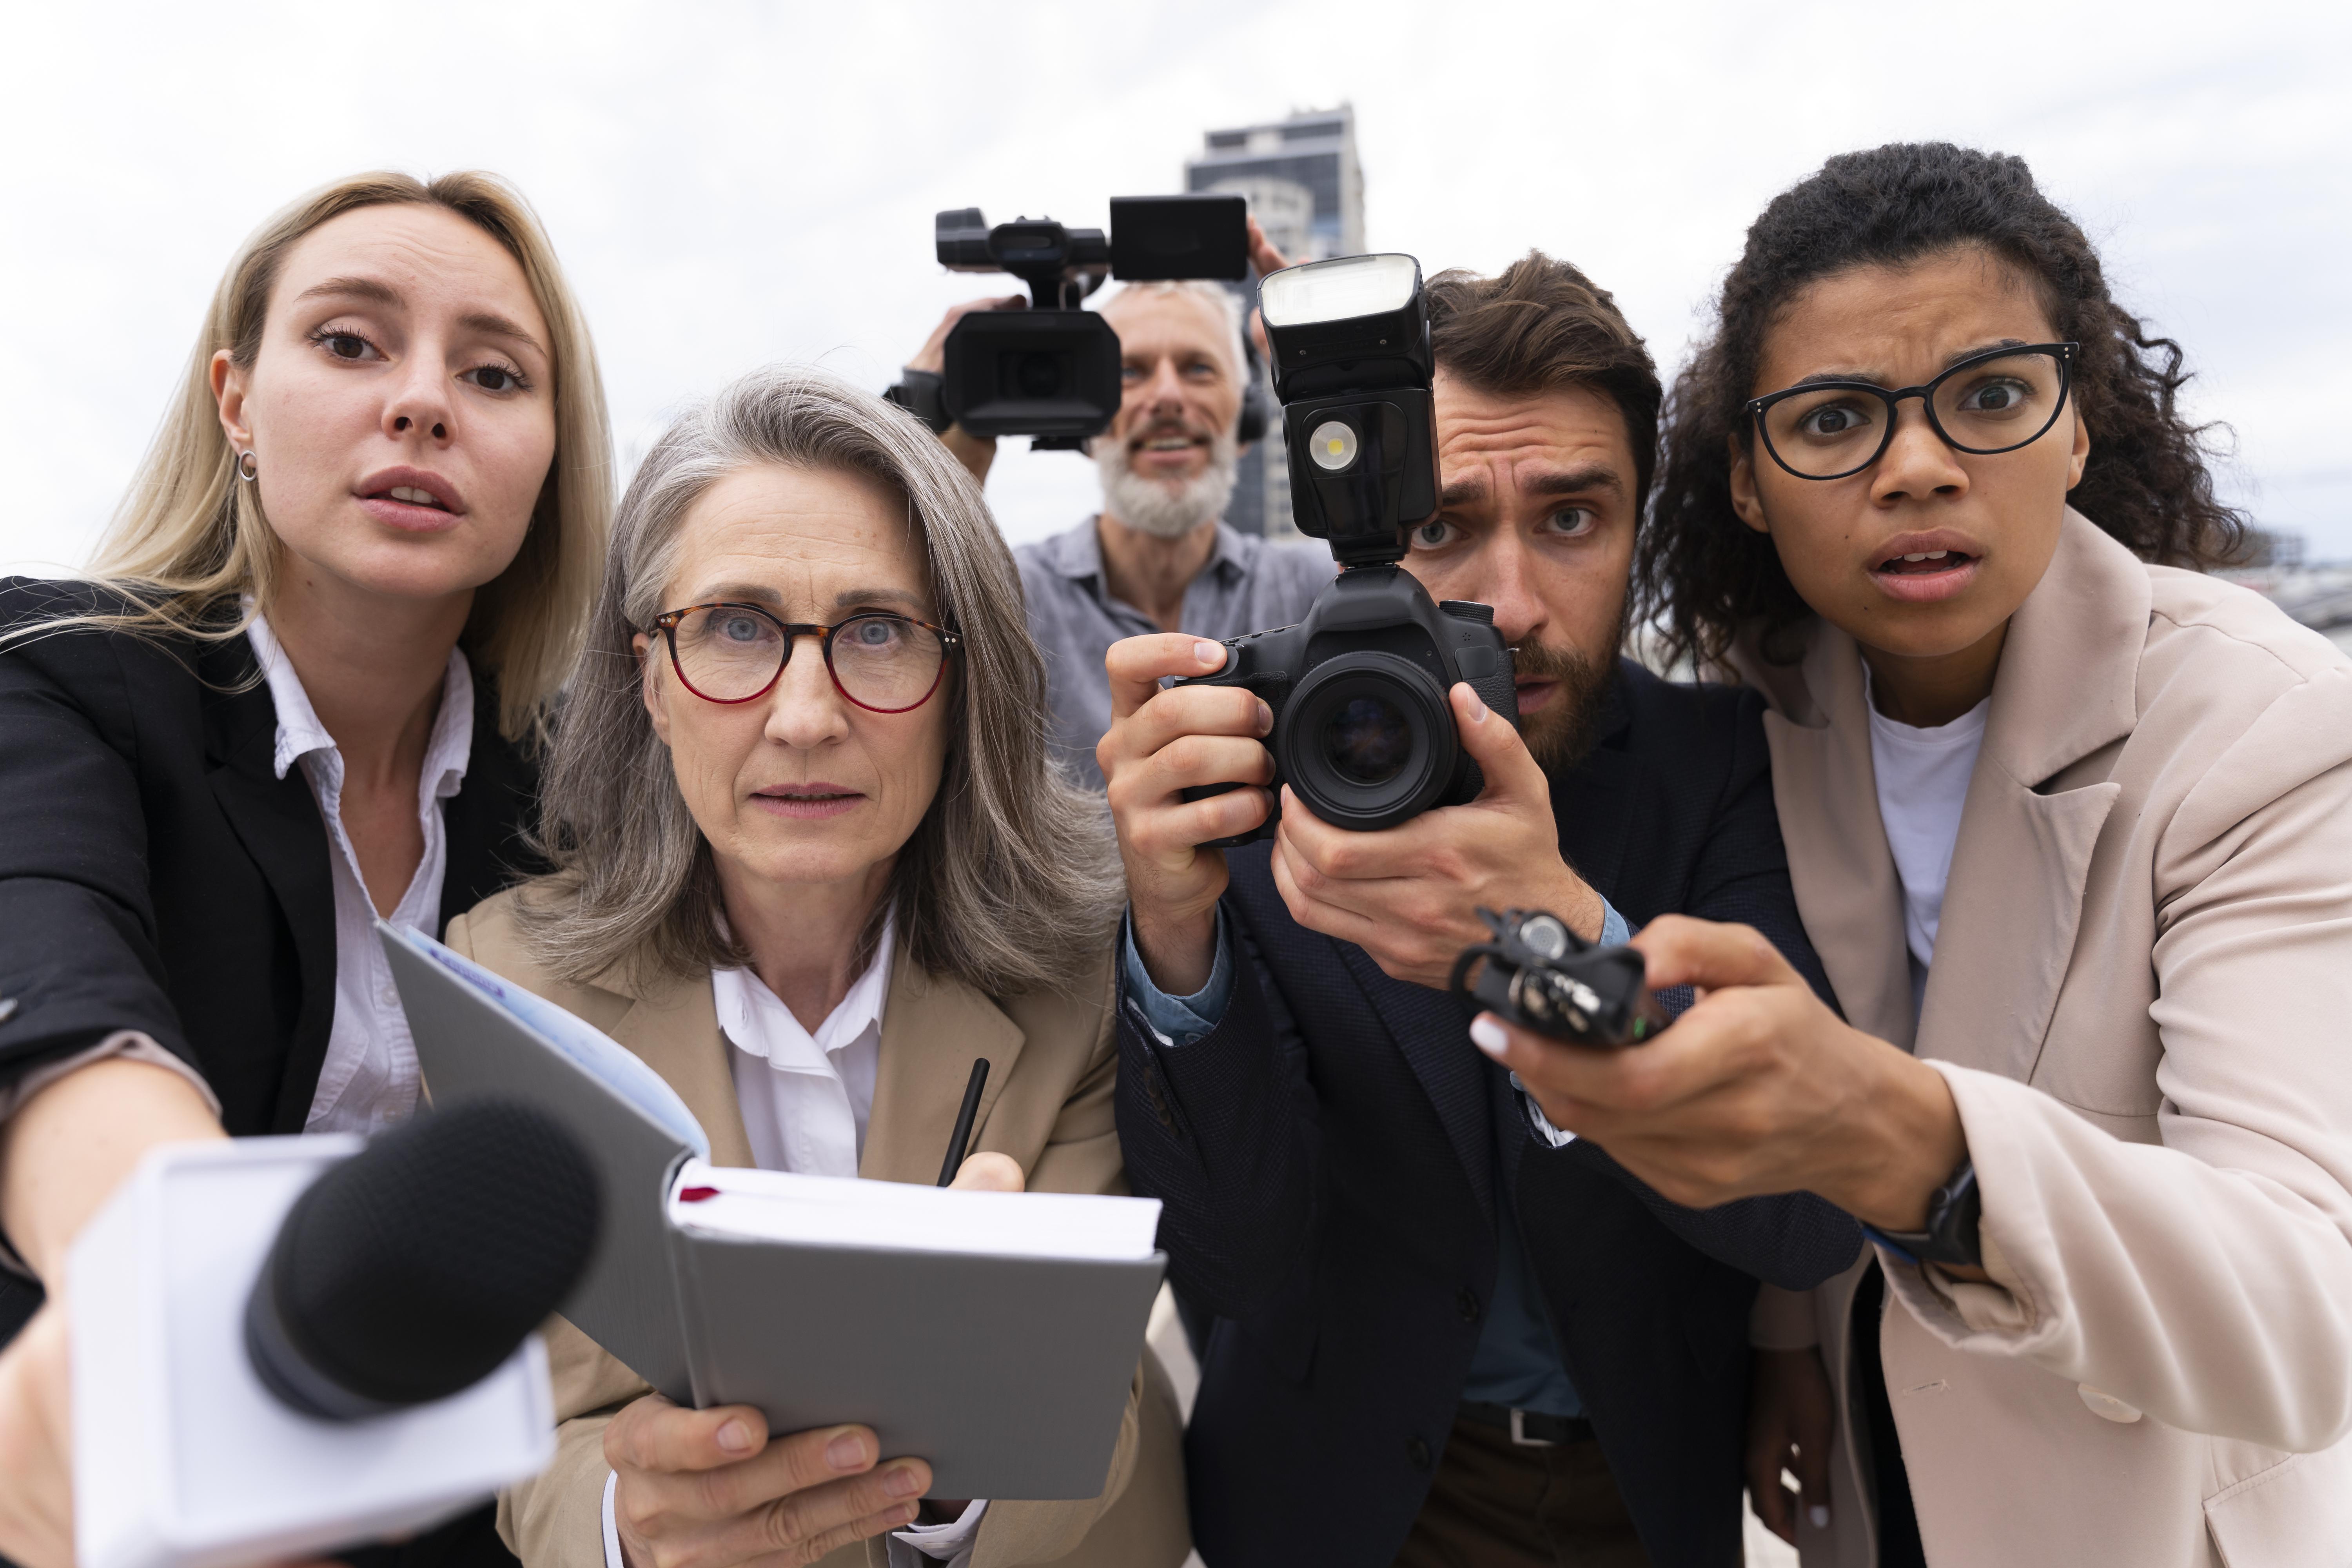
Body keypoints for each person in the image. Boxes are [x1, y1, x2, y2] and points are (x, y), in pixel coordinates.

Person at [1471, 142, 2352, 1565]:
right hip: (1867, 1503)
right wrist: (1784, 1345)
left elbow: (2309, 1314)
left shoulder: (2266, 728)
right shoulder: (1766, 707)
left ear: (2080, 422)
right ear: (1747, 479)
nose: (1920, 468)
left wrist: (1905, 1142)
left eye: (1991, 397)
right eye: (1834, 422)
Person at [1100, 253, 1864, 1568]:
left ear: (1644, 527)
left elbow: (1801, 1213)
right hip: (1332, 1500)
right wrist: (1172, 933)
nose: (1510, 604)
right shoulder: (1277, 773)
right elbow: (1230, 1267)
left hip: (1642, 1479)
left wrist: (1545, 945)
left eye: (1572, 519)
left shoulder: (1724, 765)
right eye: (1446, 526)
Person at [456, 366, 1189, 1568]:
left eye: (877, 632)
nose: (805, 715)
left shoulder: (1086, 965)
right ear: (648, 676)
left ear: (965, 682)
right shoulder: (510, 986)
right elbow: (542, 1425)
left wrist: (954, 1459)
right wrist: (628, 1531)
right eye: (737, 627)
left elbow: (1094, 1415)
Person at [0, 171, 610, 1568]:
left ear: (549, 452)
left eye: (495, 372)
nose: (422, 402)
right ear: (235, 403)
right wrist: (179, 1329)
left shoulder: (578, 794)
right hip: (97, 1485)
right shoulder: (57, 677)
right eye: (350, 342)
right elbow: (51, 971)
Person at [901, 220, 1332, 788]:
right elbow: (891, 656)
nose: (1168, 398)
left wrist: (1331, 385)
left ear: (1248, 419)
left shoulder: (1316, 590)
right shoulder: (1008, 599)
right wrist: (933, 446)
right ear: (1085, 423)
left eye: (1199, 368)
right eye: (1130, 372)